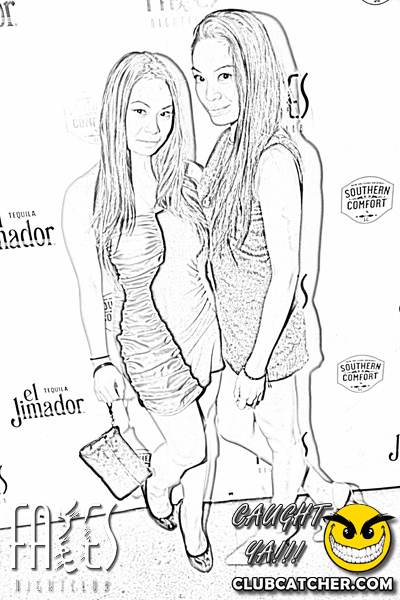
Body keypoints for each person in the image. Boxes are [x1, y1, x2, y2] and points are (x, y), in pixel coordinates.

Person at [191, 10, 360, 560]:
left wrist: (257, 366)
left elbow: (286, 274)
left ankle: (277, 542)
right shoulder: (228, 146)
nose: (211, 93)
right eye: (201, 77)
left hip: (271, 337)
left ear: (255, 73)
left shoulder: (272, 159)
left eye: (226, 75)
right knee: (235, 426)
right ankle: (324, 490)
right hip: (237, 333)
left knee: (282, 443)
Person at [62, 51, 223, 572]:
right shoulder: (86, 195)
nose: (154, 126)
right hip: (146, 338)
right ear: (115, 111)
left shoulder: (191, 179)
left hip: (203, 325)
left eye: (166, 112)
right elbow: (91, 288)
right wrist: (99, 361)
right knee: (190, 446)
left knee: (206, 434)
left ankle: (194, 525)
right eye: (139, 110)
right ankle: (159, 482)